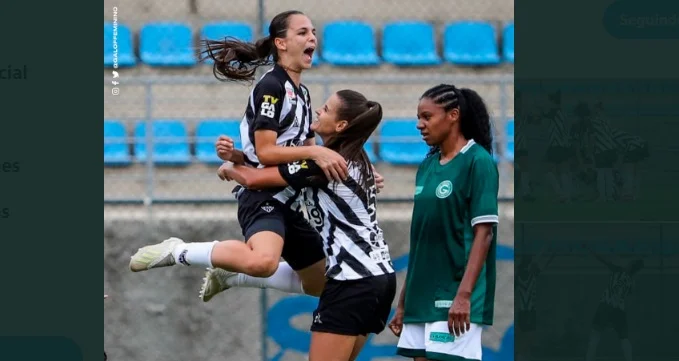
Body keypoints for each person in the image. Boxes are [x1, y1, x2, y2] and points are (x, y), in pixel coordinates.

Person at [129, 10, 349, 296]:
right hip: (263, 196)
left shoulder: (303, 93)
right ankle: (178, 250)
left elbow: (295, 150)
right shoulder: (272, 87)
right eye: (303, 32)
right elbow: (267, 152)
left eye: (314, 33)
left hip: (290, 198)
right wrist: (316, 151)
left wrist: (351, 166)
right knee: (264, 262)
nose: (312, 39)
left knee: (322, 285)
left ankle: (230, 275)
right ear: (280, 43)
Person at [206, 90, 396, 361]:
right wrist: (237, 155)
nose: (319, 110)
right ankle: (232, 277)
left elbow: (255, 180)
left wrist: (228, 168)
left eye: (327, 109)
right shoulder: (355, 156)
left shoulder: (322, 165)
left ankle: (179, 253)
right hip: (380, 278)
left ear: (341, 126)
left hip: (352, 281)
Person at [387, 84, 499, 361]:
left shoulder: (478, 162)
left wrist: (464, 296)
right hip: (420, 294)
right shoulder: (427, 166)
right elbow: (423, 238)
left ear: (453, 115)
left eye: (427, 117)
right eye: (418, 117)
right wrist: (403, 302)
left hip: (455, 293)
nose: (419, 125)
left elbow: (484, 234)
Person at [585, 251, 643, 361]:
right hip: (619, 311)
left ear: (630, 266)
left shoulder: (618, 270)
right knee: (624, 338)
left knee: (595, 335)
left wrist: (593, 253)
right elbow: (629, 293)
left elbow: (605, 261)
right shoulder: (631, 282)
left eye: (629, 263)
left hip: (606, 306)